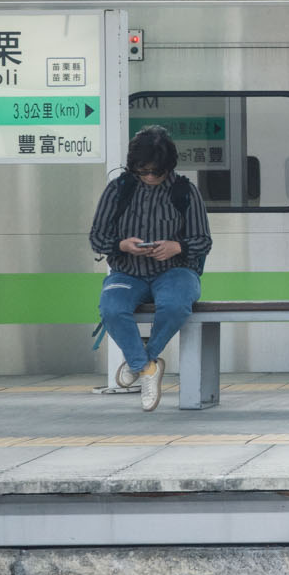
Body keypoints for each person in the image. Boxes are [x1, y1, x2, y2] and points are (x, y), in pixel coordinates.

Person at [90, 126, 213, 410]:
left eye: (156, 172)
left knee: (175, 306)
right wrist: (122, 245)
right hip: (127, 271)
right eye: (142, 171)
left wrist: (176, 246)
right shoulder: (118, 190)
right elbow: (96, 237)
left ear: (169, 167)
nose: (149, 177)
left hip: (176, 270)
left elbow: (203, 241)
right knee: (111, 309)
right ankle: (146, 368)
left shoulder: (185, 192)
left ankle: (142, 360)